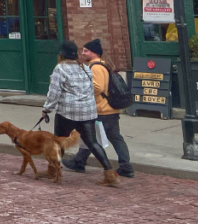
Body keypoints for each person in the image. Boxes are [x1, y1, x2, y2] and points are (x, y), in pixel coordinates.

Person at [42, 40, 119, 187]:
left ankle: (53, 170)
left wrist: (47, 109)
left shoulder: (60, 69)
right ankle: (110, 173)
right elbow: (90, 89)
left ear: (61, 54)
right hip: (87, 111)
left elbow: (54, 92)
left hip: (68, 111)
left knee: (59, 141)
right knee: (92, 142)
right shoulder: (84, 67)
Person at [63, 39, 133, 178]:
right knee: (115, 138)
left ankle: (79, 162)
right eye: (82, 50)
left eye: (86, 51)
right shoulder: (102, 66)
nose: (83, 53)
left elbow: (98, 87)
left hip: (100, 110)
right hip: (109, 110)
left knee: (90, 138)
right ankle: (126, 166)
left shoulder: (95, 67)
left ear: (94, 53)